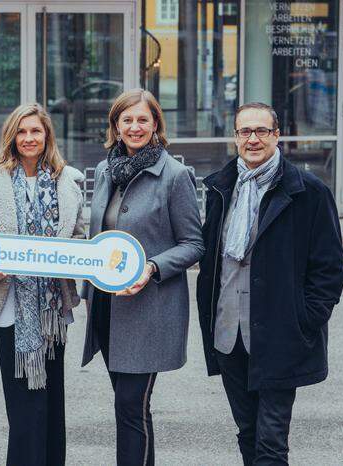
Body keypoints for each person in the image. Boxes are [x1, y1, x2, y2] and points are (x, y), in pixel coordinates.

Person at [196, 102, 343, 465]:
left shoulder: (308, 191)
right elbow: (210, 257)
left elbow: (330, 269)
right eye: (245, 131)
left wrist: (304, 318)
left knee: (271, 441)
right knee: (247, 432)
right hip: (228, 335)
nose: (253, 139)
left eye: (261, 131)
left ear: (277, 136)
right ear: (235, 138)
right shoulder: (221, 188)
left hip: (281, 336)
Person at [81, 89, 204, 465]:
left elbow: (194, 243)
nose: (134, 127)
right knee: (129, 407)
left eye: (142, 120)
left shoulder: (175, 175)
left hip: (149, 307)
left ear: (156, 125)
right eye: (127, 120)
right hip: (106, 305)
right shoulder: (105, 171)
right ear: (116, 126)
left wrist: (151, 267)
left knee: (132, 406)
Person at [0, 103, 85, 466]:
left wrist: (75, 256)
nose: (29, 138)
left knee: (52, 405)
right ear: (11, 137)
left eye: (36, 131)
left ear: (47, 135)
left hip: (53, 312)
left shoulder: (69, 181)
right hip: (9, 308)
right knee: (22, 408)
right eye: (22, 131)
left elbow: (79, 240)